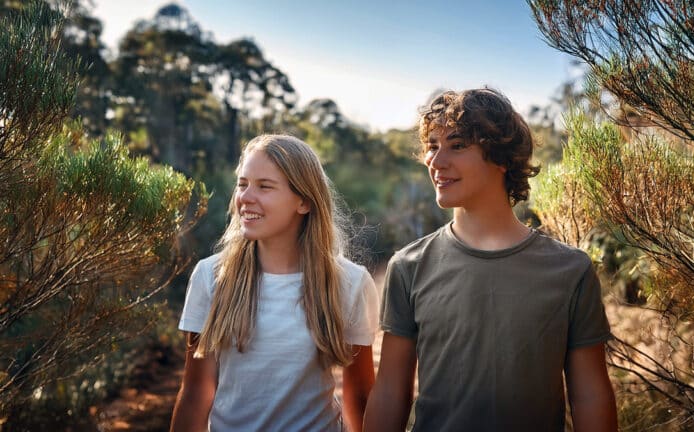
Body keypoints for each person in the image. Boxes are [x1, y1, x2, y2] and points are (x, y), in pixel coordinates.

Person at [363, 88, 617, 431]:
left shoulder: (570, 270)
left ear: (501, 156)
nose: (436, 162)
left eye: (457, 145)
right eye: (432, 146)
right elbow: (391, 392)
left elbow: (589, 395)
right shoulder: (408, 266)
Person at [170, 134, 379, 432]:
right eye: (243, 184)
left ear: (304, 201)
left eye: (264, 186)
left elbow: (359, 396)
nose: (246, 197)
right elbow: (195, 393)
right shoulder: (211, 276)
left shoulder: (350, 282)